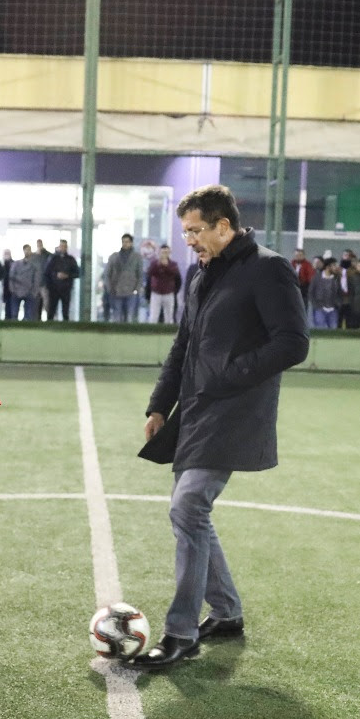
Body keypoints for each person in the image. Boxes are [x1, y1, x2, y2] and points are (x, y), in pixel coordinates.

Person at [137, 184, 308, 669]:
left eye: (196, 231)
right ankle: (227, 612)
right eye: (186, 231)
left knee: (188, 505)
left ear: (224, 226)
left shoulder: (268, 269)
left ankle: (181, 633)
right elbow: (183, 344)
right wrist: (159, 405)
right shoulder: (201, 272)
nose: (188, 240)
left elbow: (293, 342)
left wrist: (230, 375)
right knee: (191, 512)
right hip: (196, 409)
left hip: (236, 411)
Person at [104, 234, 144, 323]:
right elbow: (107, 274)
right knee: (117, 316)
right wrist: (110, 288)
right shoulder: (114, 257)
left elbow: (140, 275)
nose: (125, 244)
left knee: (130, 317)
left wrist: (136, 289)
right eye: (123, 242)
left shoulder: (137, 257)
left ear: (131, 243)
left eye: (127, 242)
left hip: (131, 291)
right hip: (116, 291)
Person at [45, 239, 80, 321]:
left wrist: (67, 276)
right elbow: (47, 273)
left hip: (66, 289)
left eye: (64, 246)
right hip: (54, 289)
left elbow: (77, 273)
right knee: (52, 309)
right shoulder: (53, 259)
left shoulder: (71, 260)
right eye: (61, 246)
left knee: (65, 310)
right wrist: (55, 276)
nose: (63, 248)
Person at [146, 246, 183, 324]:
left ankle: (168, 334)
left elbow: (175, 276)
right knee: (153, 316)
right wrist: (159, 264)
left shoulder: (173, 264)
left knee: (169, 317)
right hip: (156, 293)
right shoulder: (154, 263)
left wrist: (166, 266)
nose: (164, 254)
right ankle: (151, 333)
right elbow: (150, 273)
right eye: (163, 252)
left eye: (166, 252)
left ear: (169, 253)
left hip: (169, 293)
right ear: (159, 253)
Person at [7, 244, 42, 321]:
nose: (27, 252)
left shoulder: (34, 266)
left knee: (28, 315)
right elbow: (11, 277)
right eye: (26, 250)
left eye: (29, 250)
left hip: (29, 292)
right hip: (16, 291)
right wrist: (12, 290)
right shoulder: (16, 264)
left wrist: (34, 292)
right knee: (14, 314)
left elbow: (36, 279)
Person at [307, 256, 342, 328]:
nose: (336, 267)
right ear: (328, 267)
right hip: (320, 308)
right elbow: (311, 292)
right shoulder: (316, 277)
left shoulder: (337, 278)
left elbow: (339, 293)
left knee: (333, 330)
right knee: (320, 330)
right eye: (334, 265)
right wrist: (316, 305)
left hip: (333, 309)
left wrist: (338, 304)